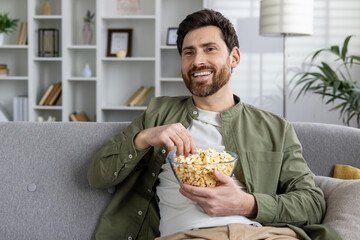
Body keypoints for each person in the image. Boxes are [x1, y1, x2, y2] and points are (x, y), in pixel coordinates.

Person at [87, 9, 340, 240]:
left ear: (234, 57)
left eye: (210, 49)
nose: (198, 61)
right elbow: (98, 175)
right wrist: (144, 138)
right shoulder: (159, 113)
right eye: (189, 52)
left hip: (262, 236)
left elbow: (312, 203)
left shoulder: (275, 128)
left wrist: (247, 204)